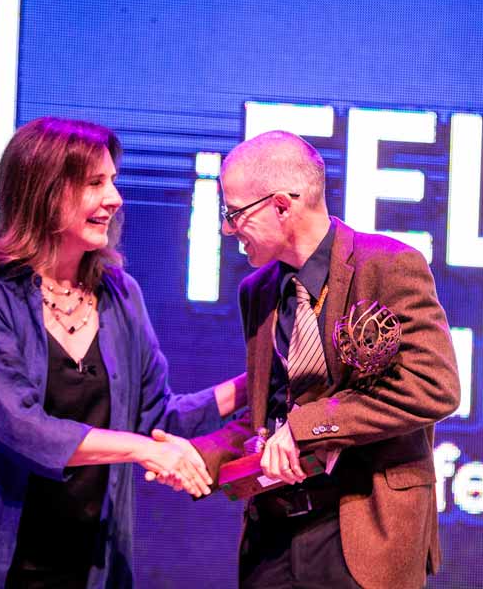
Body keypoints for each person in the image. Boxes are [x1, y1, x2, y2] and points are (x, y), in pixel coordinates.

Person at [0, 117, 245, 588]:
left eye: (114, 181)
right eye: (94, 183)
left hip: (85, 565)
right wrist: (141, 449)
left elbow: (156, 420)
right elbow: (22, 428)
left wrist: (251, 386)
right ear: (44, 193)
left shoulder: (121, 296)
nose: (115, 198)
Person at [168, 130, 461, 588]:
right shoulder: (258, 292)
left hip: (363, 533)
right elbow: (269, 416)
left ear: (282, 205)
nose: (228, 229)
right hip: (274, 534)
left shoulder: (386, 266)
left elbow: (432, 387)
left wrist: (306, 429)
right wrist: (199, 456)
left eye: (234, 213)